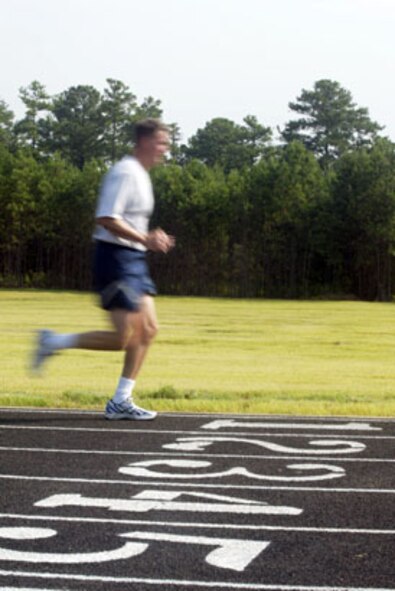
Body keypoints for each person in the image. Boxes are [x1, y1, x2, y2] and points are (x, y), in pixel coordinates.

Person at [32, 119, 175, 420]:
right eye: (162, 142)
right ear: (145, 142)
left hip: (134, 260)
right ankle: (53, 341)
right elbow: (107, 218)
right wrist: (144, 238)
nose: (166, 148)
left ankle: (122, 399)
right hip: (115, 259)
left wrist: (151, 237)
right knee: (124, 337)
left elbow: (131, 221)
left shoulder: (143, 175)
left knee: (148, 330)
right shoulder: (125, 172)